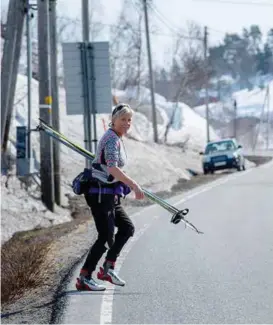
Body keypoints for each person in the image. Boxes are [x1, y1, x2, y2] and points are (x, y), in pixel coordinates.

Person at [76, 103, 145, 291]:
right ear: (113, 120)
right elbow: (113, 167)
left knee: (127, 228)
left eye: (129, 120)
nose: (127, 123)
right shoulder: (111, 139)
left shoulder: (116, 138)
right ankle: (84, 277)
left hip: (109, 194)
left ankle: (107, 268)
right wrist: (133, 184)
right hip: (99, 194)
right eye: (123, 119)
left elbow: (112, 169)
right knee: (105, 236)